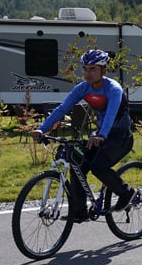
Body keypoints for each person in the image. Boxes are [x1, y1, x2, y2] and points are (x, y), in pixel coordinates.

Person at [29, 49, 136, 221]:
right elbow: (63, 109)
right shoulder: (83, 88)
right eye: (85, 69)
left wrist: (100, 134)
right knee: (77, 164)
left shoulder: (113, 89)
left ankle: (126, 192)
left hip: (120, 136)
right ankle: (80, 212)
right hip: (100, 134)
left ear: (104, 71)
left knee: (98, 166)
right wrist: (42, 129)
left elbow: (110, 115)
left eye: (93, 69)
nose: (88, 73)